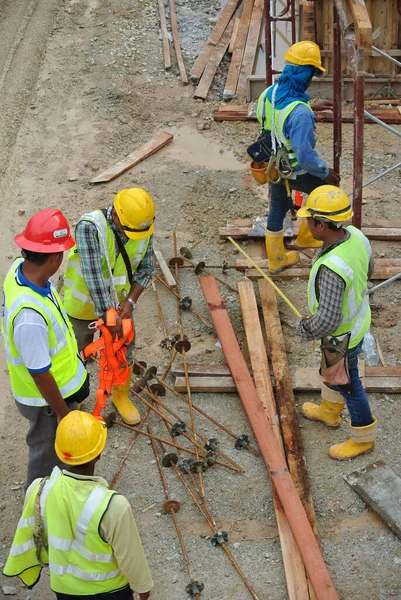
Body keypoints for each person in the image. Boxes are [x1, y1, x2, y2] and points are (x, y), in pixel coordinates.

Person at [3, 410, 154, 600]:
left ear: (60, 452)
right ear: (98, 454)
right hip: (110, 591)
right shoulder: (114, 506)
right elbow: (131, 559)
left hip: (64, 589)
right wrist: (143, 589)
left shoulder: (38, 490)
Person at [0, 209, 89, 489]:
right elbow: (39, 373)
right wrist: (62, 412)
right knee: (45, 457)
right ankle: (37, 510)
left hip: (53, 393)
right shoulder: (29, 316)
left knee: (51, 451)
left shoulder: (19, 270)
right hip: (46, 403)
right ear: (54, 257)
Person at [296, 186, 377, 460]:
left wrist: (305, 328)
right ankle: (329, 413)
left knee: (349, 385)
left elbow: (328, 321)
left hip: (342, 337)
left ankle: (363, 437)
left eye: (309, 220)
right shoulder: (356, 236)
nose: (306, 224)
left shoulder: (332, 269)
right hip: (356, 323)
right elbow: (370, 270)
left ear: (321, 224)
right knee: (333, 371)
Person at [63, 188, 155, 425]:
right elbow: (93, 277)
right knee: (76, 352)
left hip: (120, 305)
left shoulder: (141, 227)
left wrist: (130, 302)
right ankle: (75, 398)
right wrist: (109, 316)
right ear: (115, 216)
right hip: (82, 306)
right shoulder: (90, 228)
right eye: (129, 231)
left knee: (124, 349)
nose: (136, 237)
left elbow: (146, 269)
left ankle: (120, 396)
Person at [255, 41, 341, 274]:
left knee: (278, 206)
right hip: (296, 168)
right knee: (321, 192)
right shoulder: (300, 113)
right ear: (306, 75)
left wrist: (308, 108)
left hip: (273, 165)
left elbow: (267, 120)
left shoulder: (268, 93)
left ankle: (276, 259)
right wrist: (325, 171)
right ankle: (309, 236)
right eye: (312, 73)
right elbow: (305, 156)